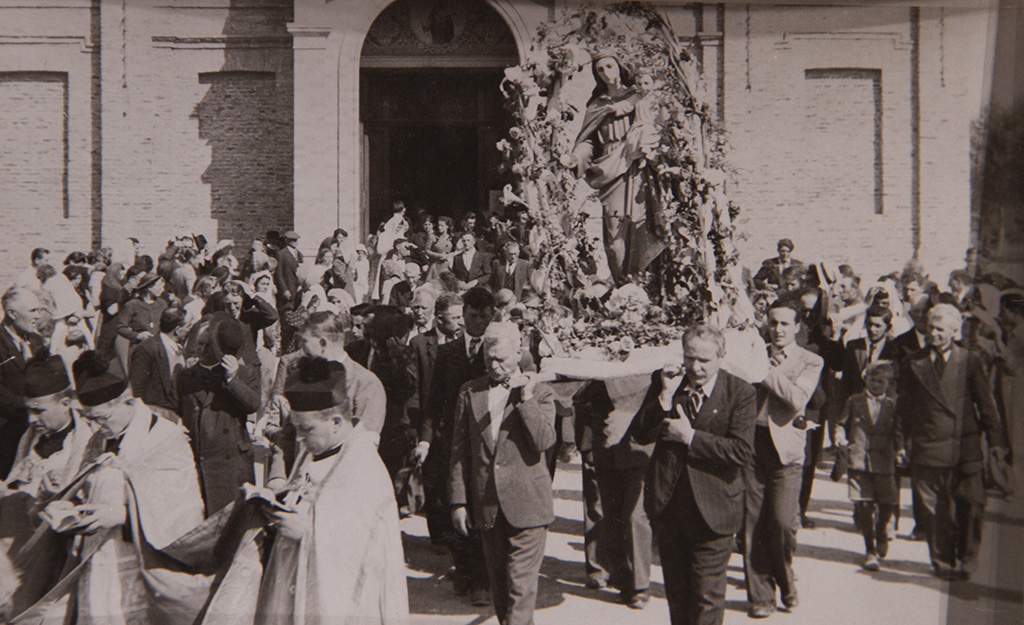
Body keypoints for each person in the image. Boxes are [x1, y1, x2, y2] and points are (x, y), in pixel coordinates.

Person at [14, 350, 207, 625]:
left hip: (144, 563)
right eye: (90, 419)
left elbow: (183, 508)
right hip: (98, 560)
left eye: (101, 418)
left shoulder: (165, 438)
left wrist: (121, 515)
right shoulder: (99, 438)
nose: (95, 427)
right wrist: (65, 503)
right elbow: (86, 489)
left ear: (126, 402)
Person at [213, 355, 409, 625]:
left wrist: (309, 532)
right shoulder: (317, 448)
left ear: (337, 422)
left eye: (307, 430)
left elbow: (370, 549)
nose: (301, 439)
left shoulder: (364, 467)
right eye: (298, 430)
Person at [634, 325, 756, 625]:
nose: (696, 367)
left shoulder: (741, 392)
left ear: (721, 357)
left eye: (704, 360)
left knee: (707, 598)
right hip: (671, 509)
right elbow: (640, 434)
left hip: (714, 511)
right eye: (690, 358)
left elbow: (741, 451)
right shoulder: (668, 383)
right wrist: (664, 395)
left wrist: (691, 438)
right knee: (678, 596)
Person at [449, 322, 557, 625]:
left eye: (502, 359)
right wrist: (458, 501)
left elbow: (544, 441)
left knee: (520, 591)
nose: (495, 366)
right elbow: (460, 451)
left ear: (518, 352)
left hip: (529, 505)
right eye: (489, 359)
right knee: (502, 594)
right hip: (488, 504)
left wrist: (526, 399)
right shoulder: (470, 392)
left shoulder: (541, 393)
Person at [895, 303, 1008, 580]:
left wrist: (996, 442)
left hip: (964, 446)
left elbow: (986, 404)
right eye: (931, 328)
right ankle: (942, 560)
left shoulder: (970, 360)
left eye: (940, 329)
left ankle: (968, 555)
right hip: (928, 445)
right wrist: (899, 443)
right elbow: (903, 408)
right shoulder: (913, 362)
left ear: (955, 332)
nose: (934, 334)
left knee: (972, 503)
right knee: (935, 511)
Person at [743, 299, 823, 618]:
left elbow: (796, 399)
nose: (777, 329)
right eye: (773, 323)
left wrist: (763, 368)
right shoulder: (752, 353)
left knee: (780, 524)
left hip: (786, 453)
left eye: (785, 324)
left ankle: (786, 583)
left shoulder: (810, 361)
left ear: (797, 327)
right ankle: (760, 598)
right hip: (751, 446)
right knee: (752, 526)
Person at [420, 287, 498, 604]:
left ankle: (480, 577)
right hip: (450, 442)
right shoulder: (449, 352)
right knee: (453, 504)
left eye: (485, 315)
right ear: (463, 314)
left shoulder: (497, 351)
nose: (478, 321)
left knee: (479, 506)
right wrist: (425, 438)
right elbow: (433, 401)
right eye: (473, 314)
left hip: (483, 443)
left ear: (493, 315)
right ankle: (464, 567)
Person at [1, 356, 93, 614]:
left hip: (59, 553)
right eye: (28, 409)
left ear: (66, 403)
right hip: (21, 547)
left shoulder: (86, 440)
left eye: (38, 410)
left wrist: (59, 498)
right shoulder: (29, 437)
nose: (31, 419)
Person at [568, 52, 662, 284]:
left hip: (638, 164)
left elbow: (655, 122)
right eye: (600, 70)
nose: (606, 73)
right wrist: (576, 157)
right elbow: (588, 141)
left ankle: (643, 283)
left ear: (620, 66)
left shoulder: (637, 95)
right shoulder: (597, 104)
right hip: (610, 168)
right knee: (614, 230)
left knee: (641, 224)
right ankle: (622, 284)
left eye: (610, 66)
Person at [573, 377, 655, 609]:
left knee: (635, 517)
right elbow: (580, 396)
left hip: (639, 446)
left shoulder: (649, 361)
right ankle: (623, 580)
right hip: (604, 444)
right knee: (610, 516)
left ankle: (640, 585)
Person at [176, 317, 261, 515]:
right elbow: (176, 410)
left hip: (229, 466)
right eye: (199, 343)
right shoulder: (185, 376)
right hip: (196, 460)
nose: (202, 349)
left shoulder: (242, 373)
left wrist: (232, 378)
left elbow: (253, 404)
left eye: (208, 345)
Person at [835, 361, 901, 571]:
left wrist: (900, 450)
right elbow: (841, 423)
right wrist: (840, 437)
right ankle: (870, 549)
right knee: (863, 505)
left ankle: (881, 530)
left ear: (888, 384)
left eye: (881, 381)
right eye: (872, 380)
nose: (875, 385)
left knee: (887, 503)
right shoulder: (854, 401)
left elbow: (898, 432)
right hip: (859, 460)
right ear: (866, 380)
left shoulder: (892, 405)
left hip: (883, 461)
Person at [0, 286, 47, 479]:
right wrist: (30, 408)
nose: (38, 316)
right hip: (6, 431)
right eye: (32, 311)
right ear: (12, 313)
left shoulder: (37, 341)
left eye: (39, 310)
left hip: (37, 429)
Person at [129, 307, 187, 423]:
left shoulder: (180, 347)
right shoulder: (146, 349)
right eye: (187, 327)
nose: (189, 330)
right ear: (178, 330)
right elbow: (136, 390)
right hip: (156, 416)